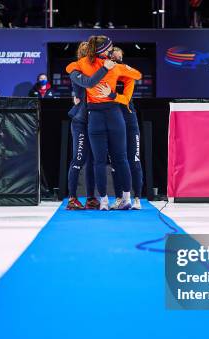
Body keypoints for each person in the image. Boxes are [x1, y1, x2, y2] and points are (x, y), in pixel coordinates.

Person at [66, 35, 142, 210]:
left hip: (97, 116)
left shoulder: (108, 66)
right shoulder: (85, 68)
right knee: (87, 159)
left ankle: (101, 200)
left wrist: (117, 95)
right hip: (90, 118)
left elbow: (134, 76)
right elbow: (88, 83)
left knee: (98, 161)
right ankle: (76, 197)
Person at [65, 42, 116, 210]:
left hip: (94, 120)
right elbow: (87, 85)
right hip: (81, 121)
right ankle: (72, 199)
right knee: (79, 159)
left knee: (93, 160)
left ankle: (91, 198)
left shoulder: (98, 71)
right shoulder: (76, 71)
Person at [101, 46, 144, 210]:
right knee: (116, 162)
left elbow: (126, 99)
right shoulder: (104, 75)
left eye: (119, 57)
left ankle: (137, 199)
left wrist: (111, 95)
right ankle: (119, 197)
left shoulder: (127, 75)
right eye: (114, 56)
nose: (116, 59)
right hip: (112, 122)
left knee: (134, 160)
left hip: (129, 121)